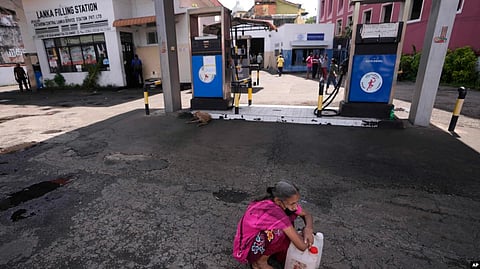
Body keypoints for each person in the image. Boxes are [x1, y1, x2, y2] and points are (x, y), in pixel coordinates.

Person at [233, 181, 314, 269]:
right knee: (279, 232)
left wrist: (308, 229)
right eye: (292, 204)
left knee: (286, 226)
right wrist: (304, 239)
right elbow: (302, 246)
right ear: (278, 201)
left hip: (258, 238)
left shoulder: (281, 202)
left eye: (296, 203)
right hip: (248, 247)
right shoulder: (275, 212)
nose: (295, 207)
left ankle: (270, 253)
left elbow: (307, 214)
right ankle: (259, 262)